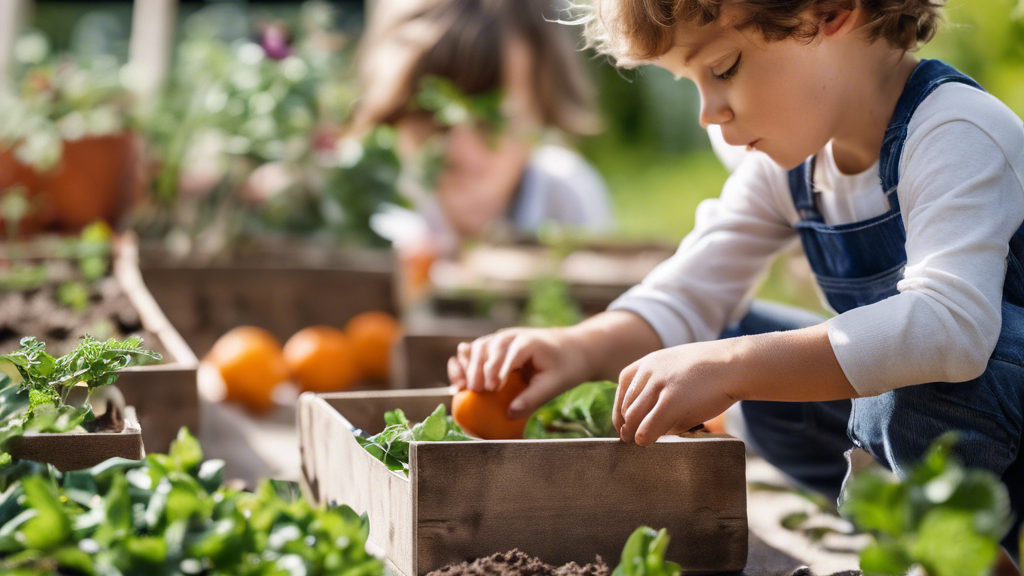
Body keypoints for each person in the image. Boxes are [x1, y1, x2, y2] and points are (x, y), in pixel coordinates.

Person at [449, 0, 1024, 563]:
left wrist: (734, 366)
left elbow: (949, 330)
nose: (707, 112)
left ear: (829, 13)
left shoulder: (954, 130)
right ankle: (884, 512)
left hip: (995, 415)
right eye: (692, 83)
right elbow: (692, 292)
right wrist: (573, 349)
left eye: (723, 68)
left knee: (864, 392)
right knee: (734, 341)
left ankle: (964, 551)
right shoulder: (791, 168)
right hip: (926, 423)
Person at [349, 0, 614, 250]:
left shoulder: (564, 198)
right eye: (430, 112)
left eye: (491, 120)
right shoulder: (363, 201)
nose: (459, 149)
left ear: (543, 108)